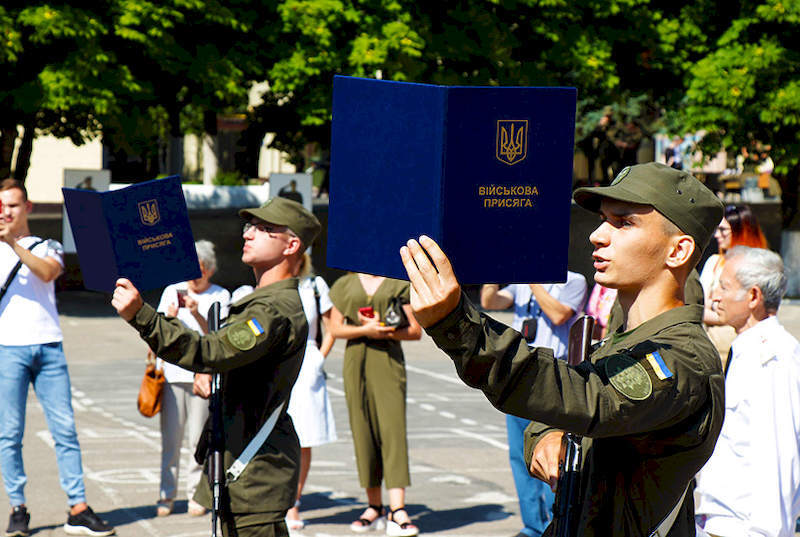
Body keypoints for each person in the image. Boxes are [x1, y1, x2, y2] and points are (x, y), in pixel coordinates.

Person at [399, 162, 725, 536]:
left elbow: (592, 400)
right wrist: (545, 436)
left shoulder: (681, 357)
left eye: (623, 223)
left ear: (678, 250)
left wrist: (458, 324)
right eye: (603, 220)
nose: (598, 235)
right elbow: (569, 402)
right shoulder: (621, 341)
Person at [111, 196, 320, 537]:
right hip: (245, 469)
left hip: (254, 475)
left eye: (265, 229)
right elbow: (230, 359)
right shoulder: (262, 301)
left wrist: (142, 315)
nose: (249, 234)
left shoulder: (273, 309)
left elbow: (208, 350)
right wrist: (218, 375)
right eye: (249, 226)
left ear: (291, 245)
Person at [0, 179, 115, 537]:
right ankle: (18, 507)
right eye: (0, 207)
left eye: (12, 206)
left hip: (49, 345)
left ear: (28, 208)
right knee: (9, 433)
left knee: (65, 430)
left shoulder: (46, 245)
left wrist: (14, 245)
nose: (5, 213)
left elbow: (48, 272)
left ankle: (77, 507)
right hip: (8, 348)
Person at [695, 246, 800, 536]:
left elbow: (779, 455)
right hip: (721, 521)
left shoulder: (772, 357)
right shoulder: (748, 349)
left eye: (724, 287)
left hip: (745, 528)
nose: (714, 296)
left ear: (753, 296)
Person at [480, 276, 587, 537]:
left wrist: (534, 282)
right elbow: (489, 301)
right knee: (519, 456)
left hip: (554, 375)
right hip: (520, 374)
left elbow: (559, 315)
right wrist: (493, 274)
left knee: (553, 457)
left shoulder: (574, 280)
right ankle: (532, 526)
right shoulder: (519, 284)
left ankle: (558, 522)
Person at [327, 273, 422, 537]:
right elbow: (335, 328)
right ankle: (373, 506)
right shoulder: (344, 284)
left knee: (392, 433)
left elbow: (415, 331)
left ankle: (397, 509)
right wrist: (364, 330)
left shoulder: (397, 283)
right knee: (362, 432)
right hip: (355, 361)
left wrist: (384, 331)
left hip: (388, 361)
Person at [151, 240, 231, 517]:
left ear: (208, 270)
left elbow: (219, 338)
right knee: (170, 440)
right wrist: (171, 317)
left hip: (204, 376)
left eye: (198, 272)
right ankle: (166, 495)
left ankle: (196, 494)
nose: (192, 278)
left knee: (198, 439)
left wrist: (196, 312)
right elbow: (159, 334)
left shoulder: (221, 295)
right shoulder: (171, 290)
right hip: (173, 375)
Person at [285, 254, 337, 531]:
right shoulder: (266, 283)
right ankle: (275, 498)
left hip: (307, 366)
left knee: (304, 436)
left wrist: (319, 357)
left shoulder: (315, 285)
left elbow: (333, 326)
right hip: (275, 363)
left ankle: (293, 501)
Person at [700, 204, 767, 362]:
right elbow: (699, 305)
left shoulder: (759, 266)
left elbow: (753, 312)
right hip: (713, 349)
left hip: (746, 350)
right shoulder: (714, 262)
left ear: (742, 231)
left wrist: (714, 309)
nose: (717, 235)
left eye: (723, 230)